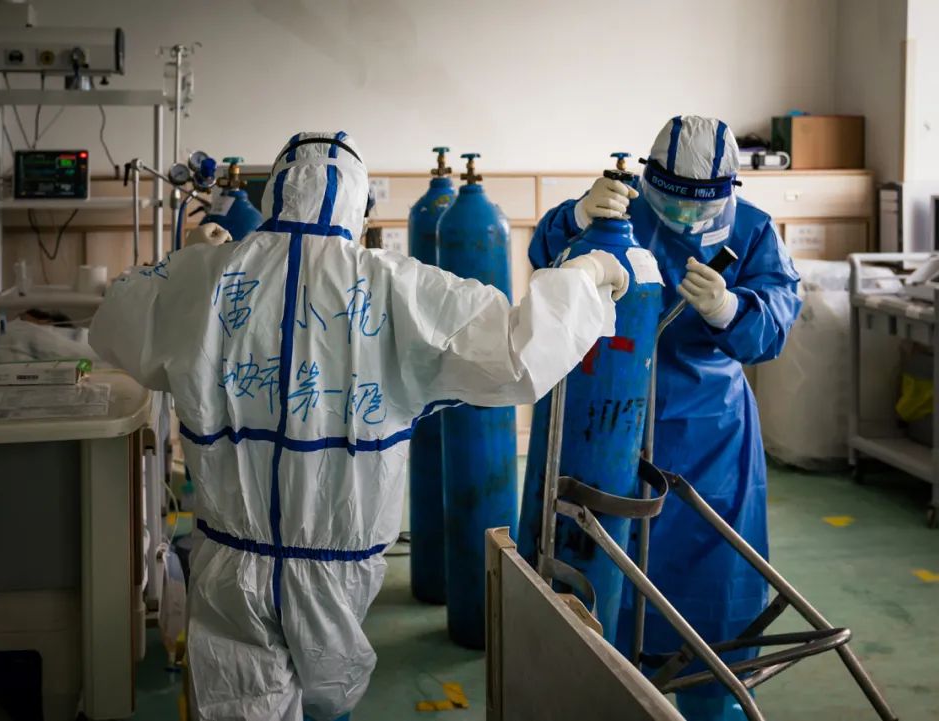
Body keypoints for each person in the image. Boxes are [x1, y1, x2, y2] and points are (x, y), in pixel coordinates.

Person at [90, 131, 628, 721]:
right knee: (330, 698)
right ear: (360, 206)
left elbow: (115, 321)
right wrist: (587, 274)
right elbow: (515, 353)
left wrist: (185, 260)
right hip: (340, 563)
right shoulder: (397, 285)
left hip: (228, 559)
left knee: (241, 701)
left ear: (274, 194)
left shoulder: (208, 278)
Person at [529, 115, 801, 721]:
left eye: (699, 205)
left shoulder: (753, 231)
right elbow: (550, 264)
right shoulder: (617, 213)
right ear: (650, 179)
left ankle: (712, 697)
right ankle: (604, 687)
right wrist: (574, 217)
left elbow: (777, 319)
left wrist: (730, 309)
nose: (683, 216)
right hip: (606, 415)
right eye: (672, 199)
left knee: (714, 574)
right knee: (606, 563)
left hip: (710, 429)